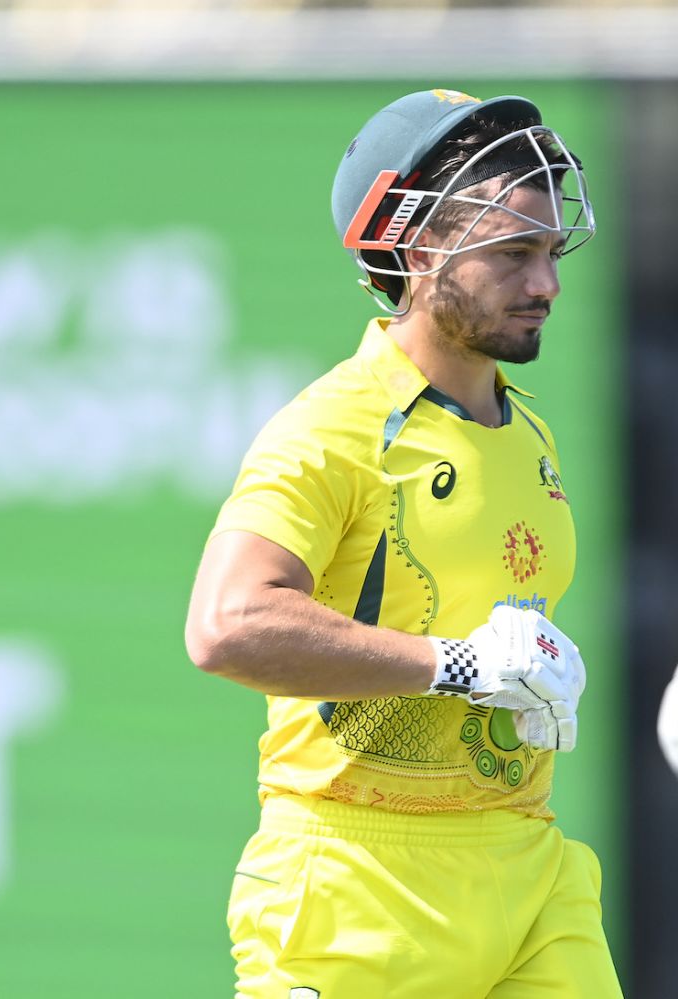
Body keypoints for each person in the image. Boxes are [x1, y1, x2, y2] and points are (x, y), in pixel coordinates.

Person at [185, 89, 621, 998]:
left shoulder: (529, 432)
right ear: (421, 251)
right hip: (354, 889)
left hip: (529, 875)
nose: (546, 284)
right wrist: (455, 664)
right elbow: (226, 624)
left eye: (550, 252)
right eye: (512, 253)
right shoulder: (334, 428)